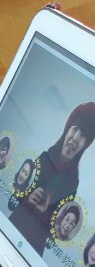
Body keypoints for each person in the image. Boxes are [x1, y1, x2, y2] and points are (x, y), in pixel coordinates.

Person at [9, 102, 95, 254]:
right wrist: (27, 198)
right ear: (67, 130)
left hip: (33, 247)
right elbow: (13, 200)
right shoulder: (44, 158)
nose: (75, 138)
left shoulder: (73, 183)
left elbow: (52, 238)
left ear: (85, 144)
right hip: (11, 229)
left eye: (82, 136)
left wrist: (47, 214)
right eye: (75, 129)